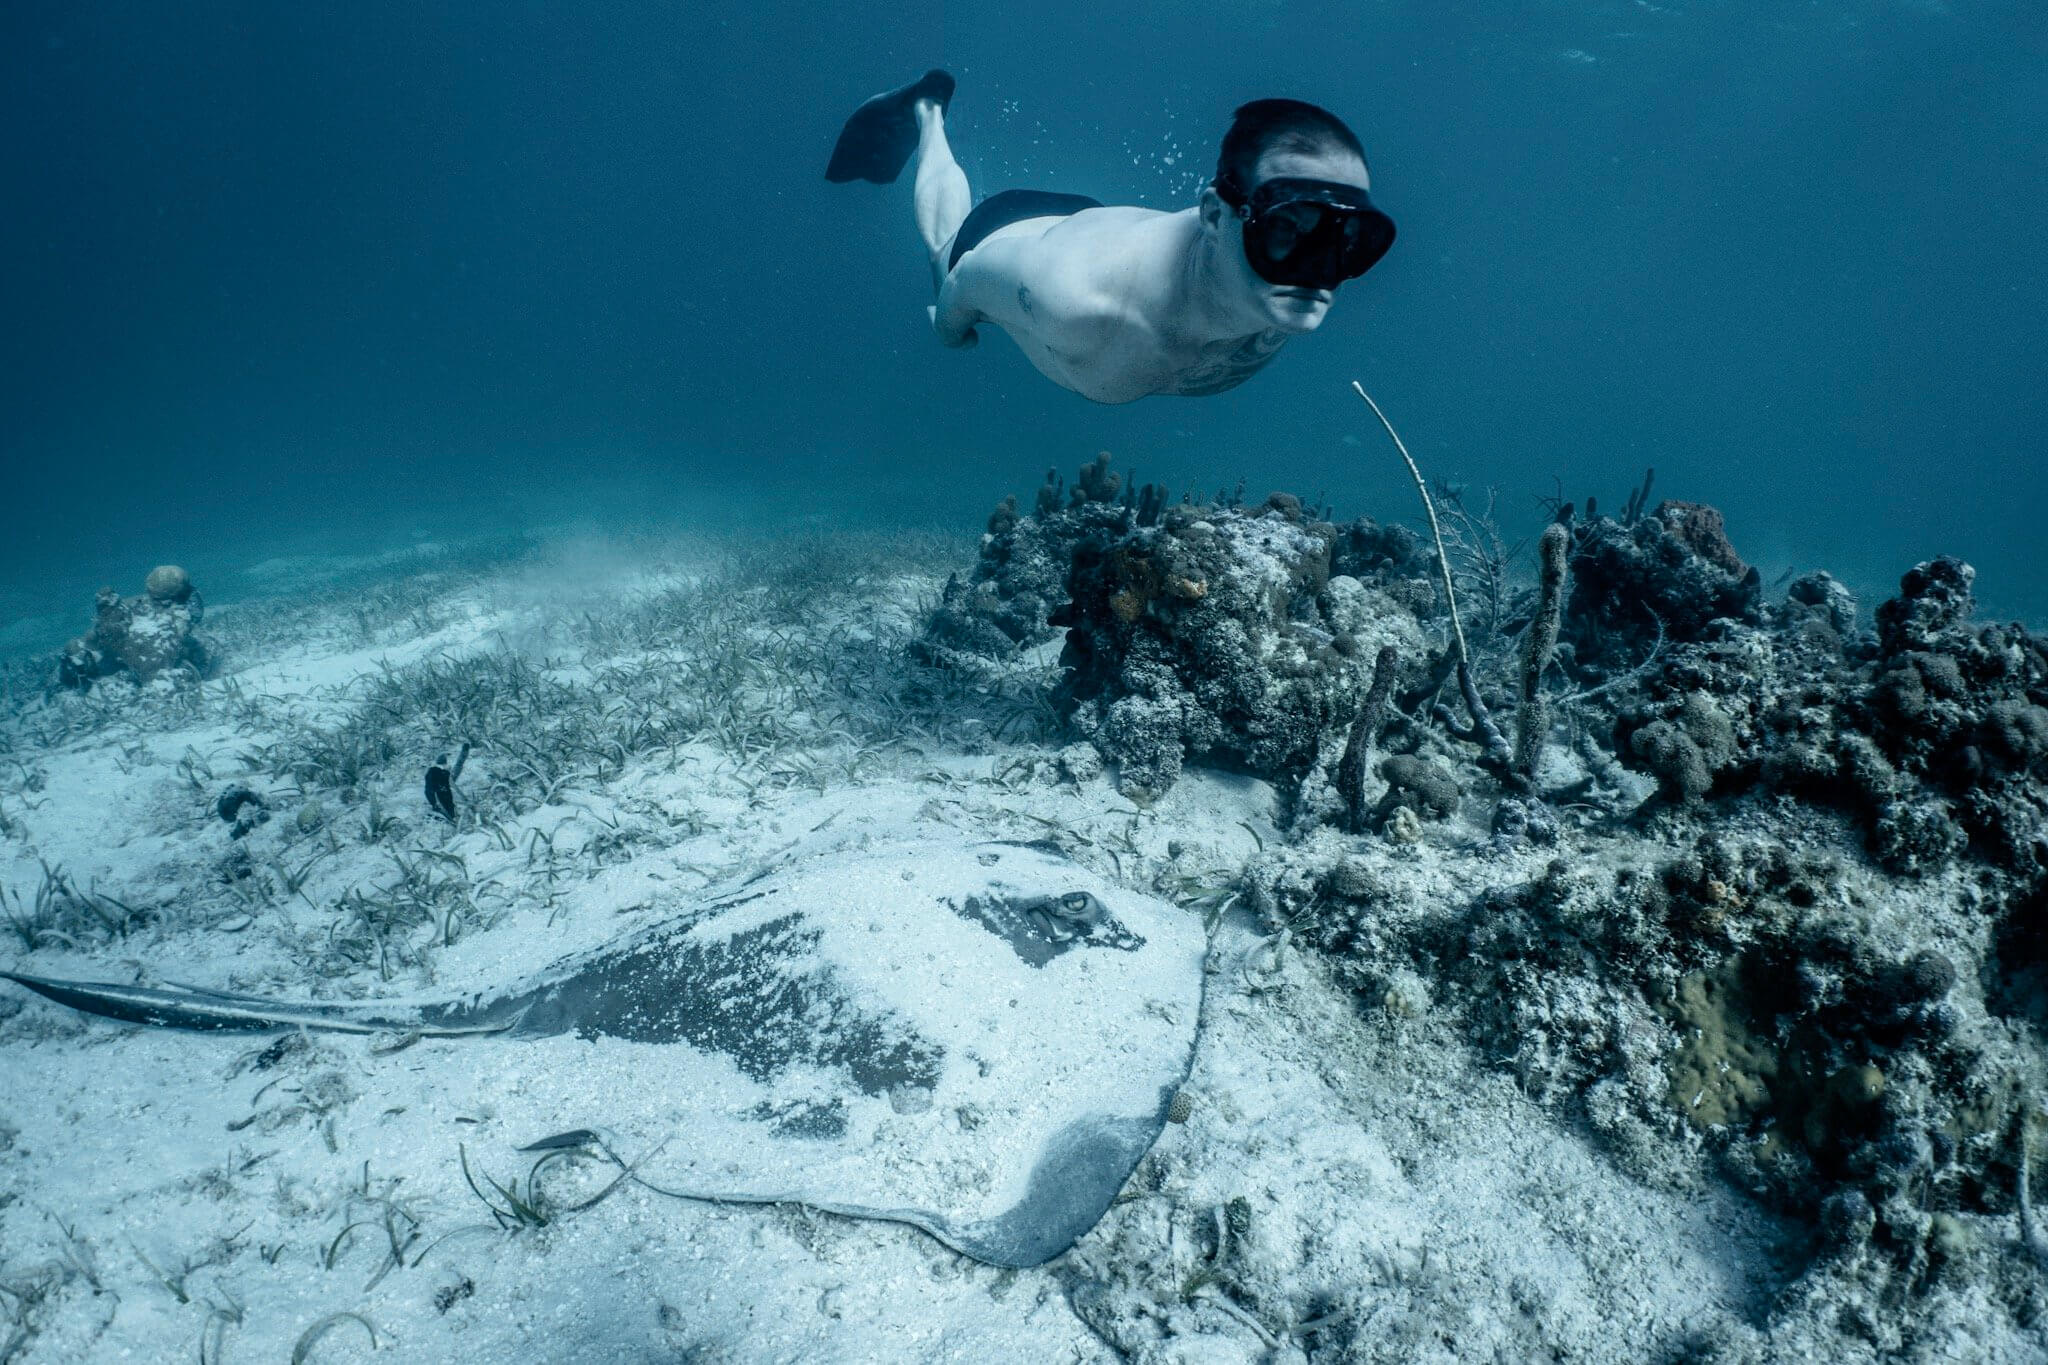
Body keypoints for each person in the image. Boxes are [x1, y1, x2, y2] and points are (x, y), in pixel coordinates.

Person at [826, 71, 1395, 405]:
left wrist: (1291, 229)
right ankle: (929, 113)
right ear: (1215, 217)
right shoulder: (1077, 304)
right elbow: (968, 273)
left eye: (1352, 239)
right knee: (942, 250)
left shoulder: (1280, 282)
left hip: (1102, 231)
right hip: (1010, 237)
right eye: (1288, 228)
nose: (1321, 269)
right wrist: (948, 333)